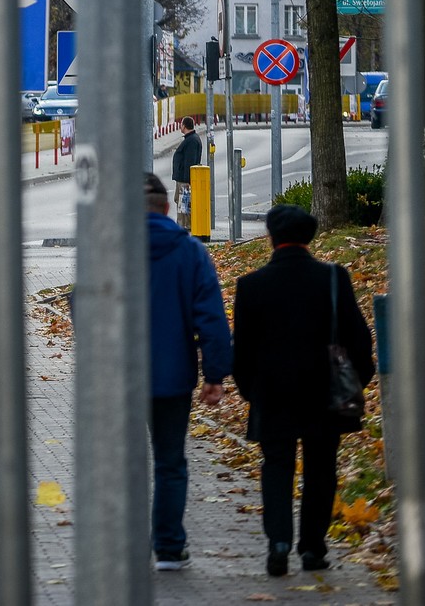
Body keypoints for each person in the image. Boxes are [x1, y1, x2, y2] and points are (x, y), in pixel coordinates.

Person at [232, 204, 375, 577]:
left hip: (272, 394)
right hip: (324, 394)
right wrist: (358, 380)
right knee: (321, 469)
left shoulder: (251, 285)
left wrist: (252, 391)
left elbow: (242, 351)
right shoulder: (333, 279)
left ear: (271, 238)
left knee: (276, 467)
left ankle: (278, 541)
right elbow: (359, 339)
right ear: (310, 237)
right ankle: (313, 548)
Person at [144, 172, 232, 572]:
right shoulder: (190, 252)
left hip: (116, 379)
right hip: (171, 376)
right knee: (169, 461)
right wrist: (214, 375)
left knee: (116, 461)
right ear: (166, 208)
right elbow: (211, 317)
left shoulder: (107, 246)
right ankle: (168, 546)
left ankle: (117, 540)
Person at [170, 116, 202, 226]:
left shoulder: (191, 141)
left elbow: (190, 161)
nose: (180, 126)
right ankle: (183, 226)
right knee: (181, 203)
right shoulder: (191, 139)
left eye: (181, 124)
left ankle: (183, 227)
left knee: (183, 206)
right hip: (183, 179)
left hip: (185, 181)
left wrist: (188, 180)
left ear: (184, 126)